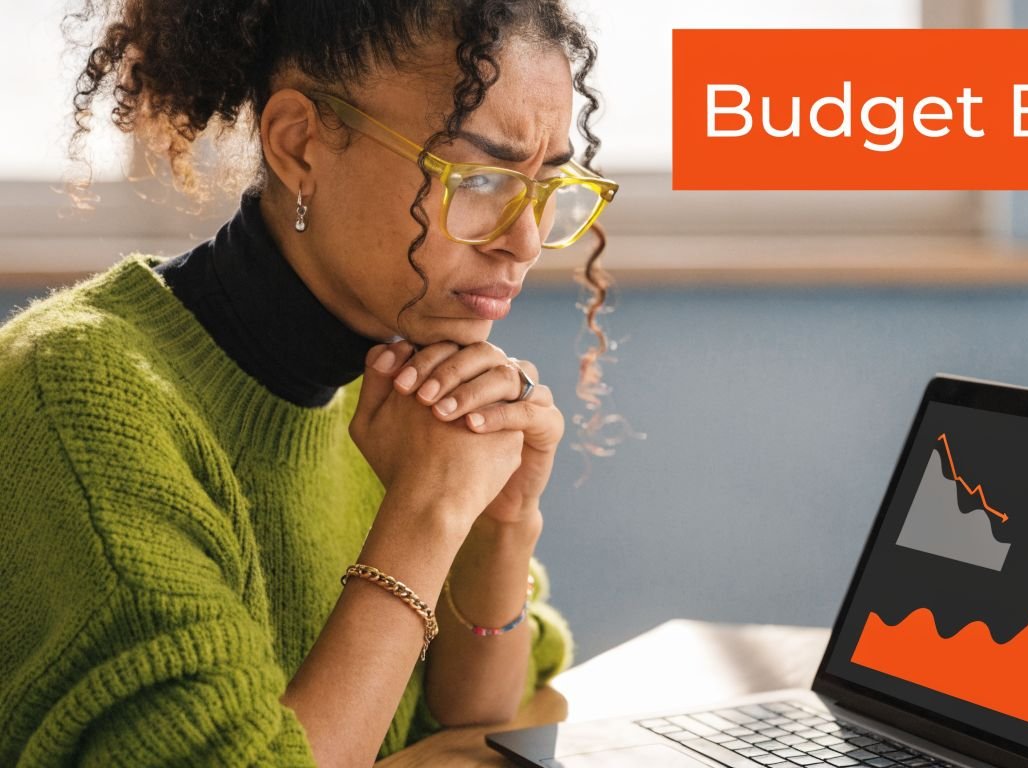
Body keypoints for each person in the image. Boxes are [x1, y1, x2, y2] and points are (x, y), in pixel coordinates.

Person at [0, 0, 620, 764]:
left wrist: (501, 521)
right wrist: (424, 515)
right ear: (300, 145)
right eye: (479, 177)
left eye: (547, 185)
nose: (524, 241)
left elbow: (480, 719)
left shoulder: (396, 386)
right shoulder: (80, 395)